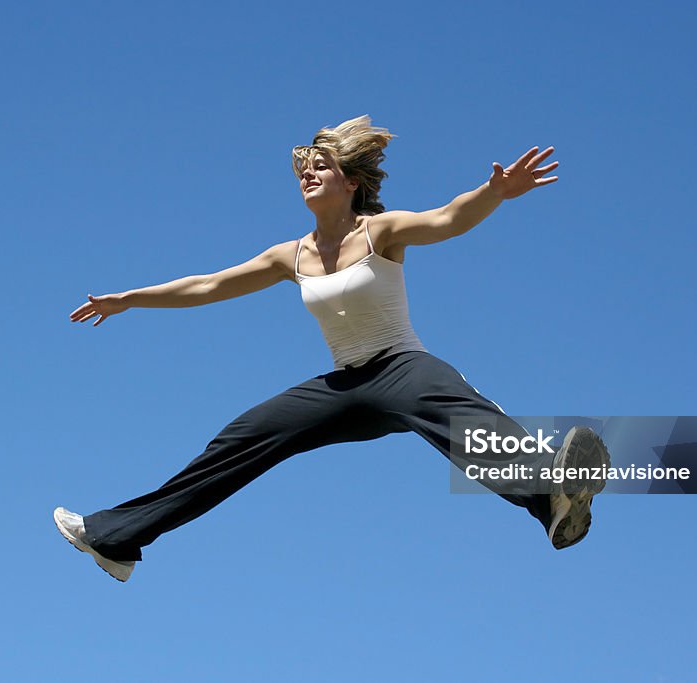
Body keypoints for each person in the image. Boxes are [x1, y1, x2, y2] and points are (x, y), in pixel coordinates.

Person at [54, 115, 610, 582]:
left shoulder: (381, 231)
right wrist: (131, 298)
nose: (307, 176)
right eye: (303, 170)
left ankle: (554, 497)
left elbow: (446, 218)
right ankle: (116, 538)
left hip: (400, 367)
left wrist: (494, 192)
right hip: (343, 384)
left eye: (320, 167)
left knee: (457, 410)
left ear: (350, 182)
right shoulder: (289, 255)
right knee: (242, 438)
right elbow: (208, 284)